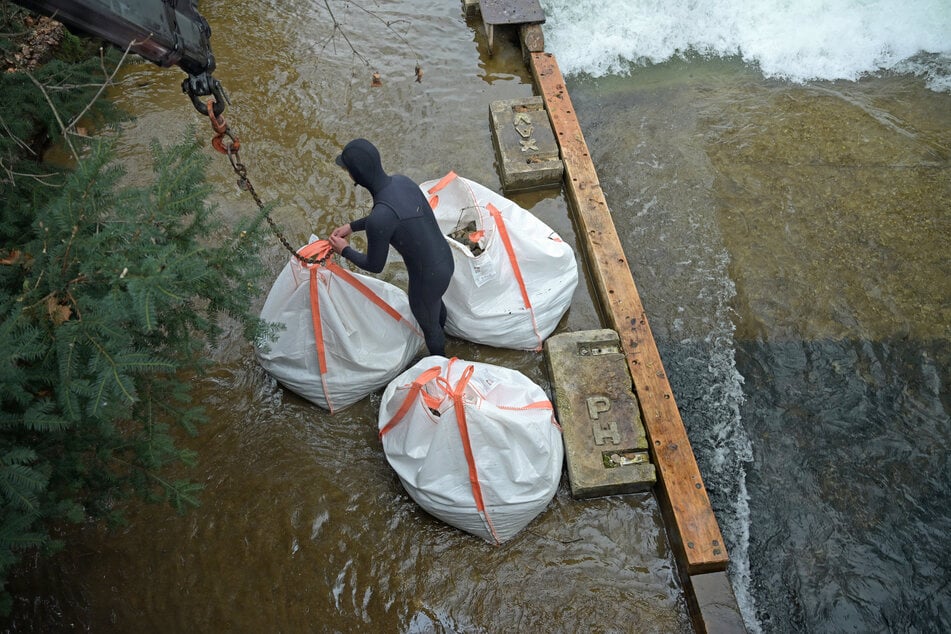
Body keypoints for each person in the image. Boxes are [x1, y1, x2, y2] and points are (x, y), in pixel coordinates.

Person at [328, 138, 454, 357]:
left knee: (429, 324)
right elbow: (392, 216)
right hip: (445, 260)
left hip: (426, 279)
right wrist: (352, 226)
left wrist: (344, 250)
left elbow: (374, 265)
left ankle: (441, 366)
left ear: (355, 175)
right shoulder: (402, 182)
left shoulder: (380, 217)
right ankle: (445, 333)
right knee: (435, 306)